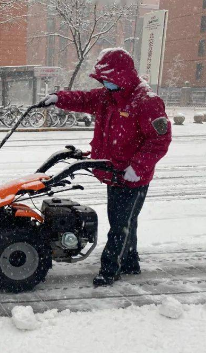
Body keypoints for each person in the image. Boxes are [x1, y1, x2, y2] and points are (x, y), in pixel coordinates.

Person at [41, 48, 172, 286]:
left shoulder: (147, 102)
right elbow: (83, 99)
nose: (105, 85)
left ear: (121, 77)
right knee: (126, 220)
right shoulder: (109, 96)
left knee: (120, 224)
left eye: (108, 81)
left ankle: (110, 270)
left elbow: (160, 140)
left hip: (132, 177)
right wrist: (59, 98)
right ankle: (130, 261)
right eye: (103, 81)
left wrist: (137, 168)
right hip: (114, 172)